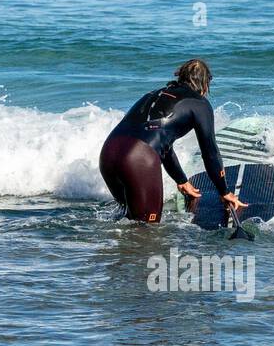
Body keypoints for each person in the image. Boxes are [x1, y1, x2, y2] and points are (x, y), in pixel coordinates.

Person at [99, 58, 245, 223]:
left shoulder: (153, 95)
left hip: (109, 153)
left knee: (127, 220)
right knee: (147, 231)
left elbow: (161, 144)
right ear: (205, 85)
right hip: (138, 159)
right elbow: (210, 152)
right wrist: (224, 191)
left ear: (180, 77)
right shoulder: (199, 104)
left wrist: (181, 180)